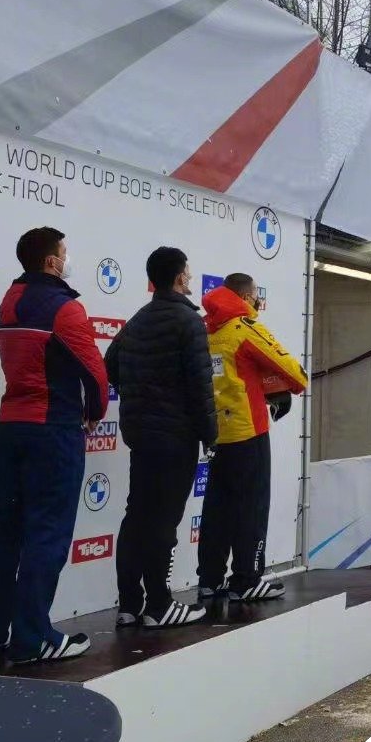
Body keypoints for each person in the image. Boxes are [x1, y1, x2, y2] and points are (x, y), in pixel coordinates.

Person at [0, 227, 108, 664]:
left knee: (4, 530)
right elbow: (96, 377)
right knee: (48, 532)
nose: (67, 260)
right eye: (64, 253)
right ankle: (33, 638)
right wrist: (94, 415)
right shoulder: (66, 309)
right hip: (54, 430)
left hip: (12, 427)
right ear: (51, 262)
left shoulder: (7, 303)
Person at [105, 247, 217, 628]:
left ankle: (129, 604)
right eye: (187, 271)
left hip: (142, 436)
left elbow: (110, 365)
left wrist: (141, 395)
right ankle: (160, 604)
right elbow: (201, 387)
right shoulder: (189, 323)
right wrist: (210, 434)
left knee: (137, 515)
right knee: (163, 520)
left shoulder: (138, 319)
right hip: (175, 437)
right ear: (181, 277)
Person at [198, 273, 308, 601]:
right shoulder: (243, 327)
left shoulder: (206, 329)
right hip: (248, 430)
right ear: (247, 297)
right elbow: (293, 372)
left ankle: (209, 580)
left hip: (216, 433)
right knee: (251, 507)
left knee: (217, 508)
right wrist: (288, 383)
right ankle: (247, 579)